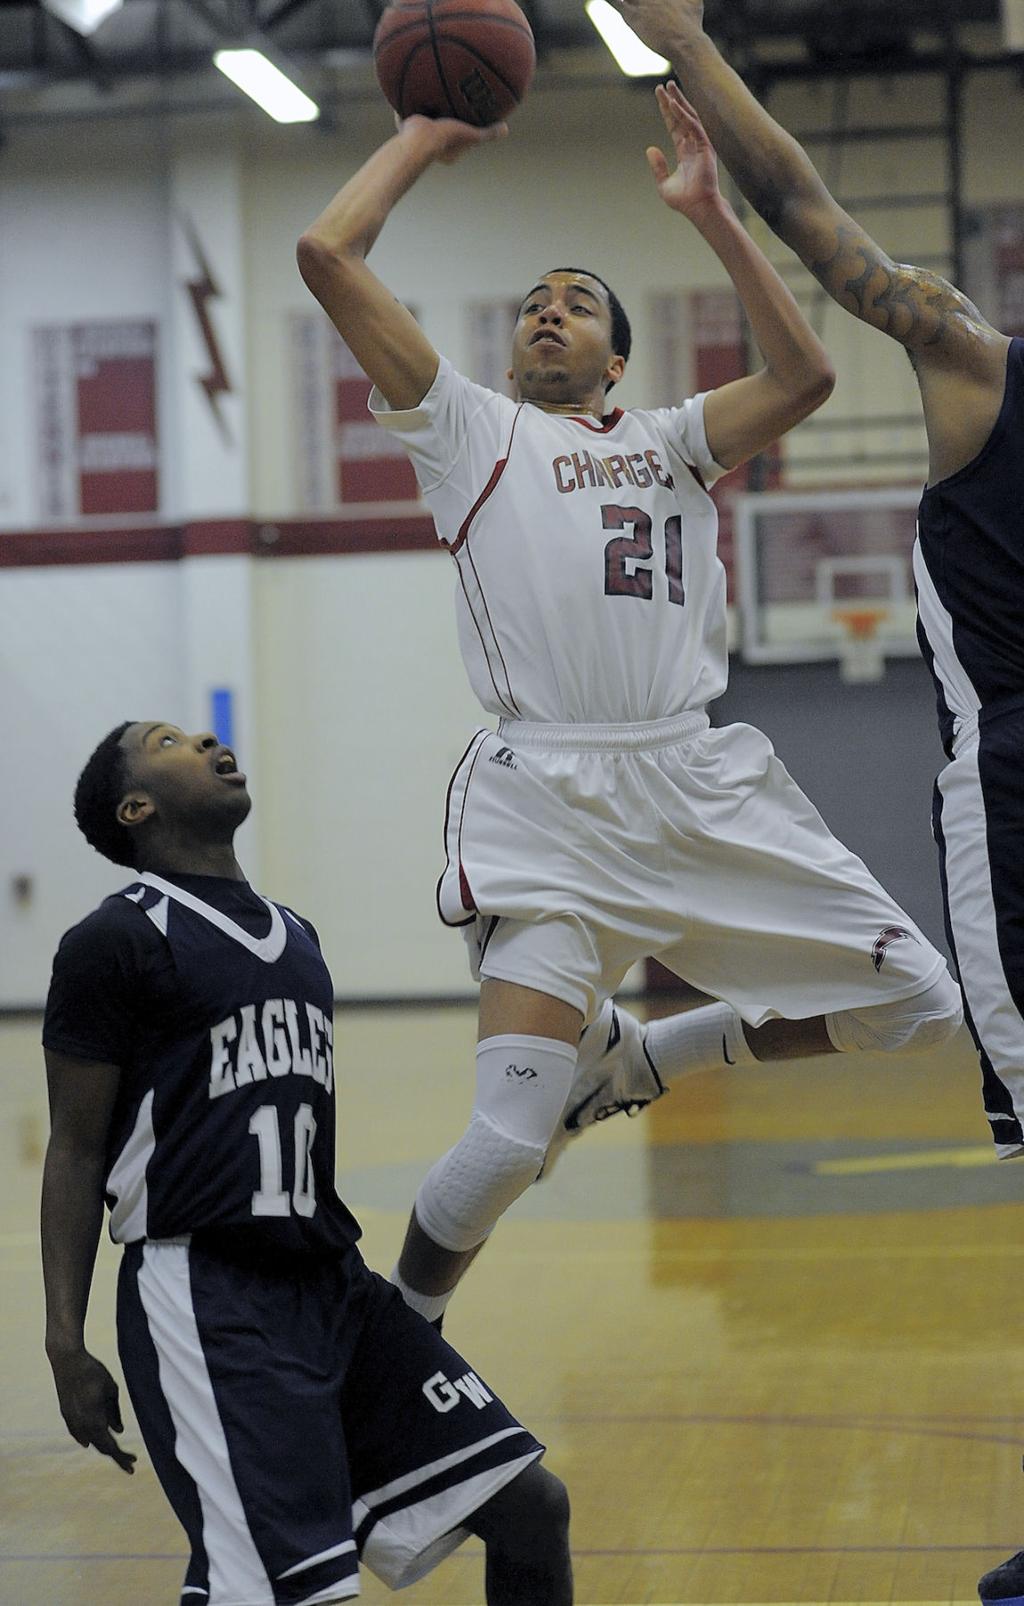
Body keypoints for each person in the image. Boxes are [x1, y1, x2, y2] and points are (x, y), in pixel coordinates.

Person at [295, 84, 962, 1332]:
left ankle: (653, 1054)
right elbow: (327, 254)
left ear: (614, 360)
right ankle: (396, 1357)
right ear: (511, 353)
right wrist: (422, 139)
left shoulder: (671, 439)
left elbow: (807, 374)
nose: (549, 310)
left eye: (579, 302)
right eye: (532, 303)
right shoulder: (469, 430)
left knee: (920, 1004)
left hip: (695, 781)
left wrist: (711, 214)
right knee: (503, 1145)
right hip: (548, 802)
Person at [590, 6, 1023, 1597]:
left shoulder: (975, 360)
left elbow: (831, 233)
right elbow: (826, 236)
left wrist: (693, 54)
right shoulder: (987, 372)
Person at [40, 720, 572, 1606]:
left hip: (333, 1285)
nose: (206, 740)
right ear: (136, 808)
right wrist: (66, 1340)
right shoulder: (115, 940)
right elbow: (73, 1147)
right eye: (170, 743)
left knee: (529, 1507)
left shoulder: (296, 934)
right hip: (210, 1298)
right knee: (288, 1594)